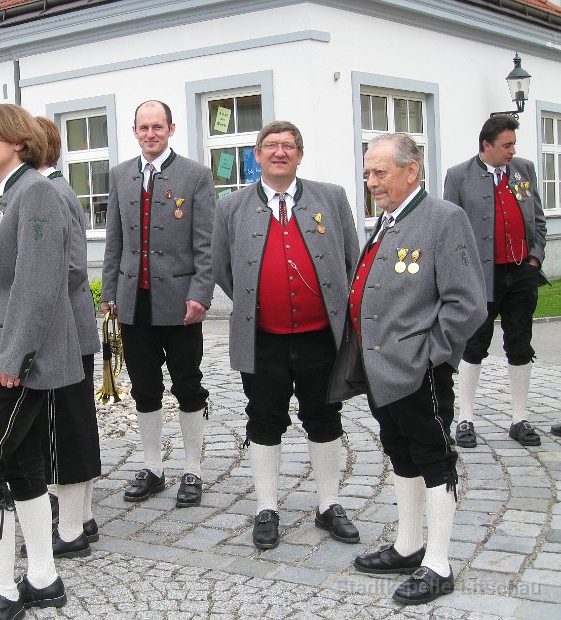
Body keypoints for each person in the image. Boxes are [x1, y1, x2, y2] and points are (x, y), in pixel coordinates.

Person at [330, 133, 486, 605]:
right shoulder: (387, 220)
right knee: (400, 453)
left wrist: (428, 354)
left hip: (418, 371)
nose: (370, 181)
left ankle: (438, 564)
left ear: (411, 170)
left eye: (380, 172)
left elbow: (468, 303)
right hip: (381, 367)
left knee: (435, 458)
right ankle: (408, 544)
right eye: (367, 173)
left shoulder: (444, 219)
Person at [0, 103, 84, 619]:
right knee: (24, 468)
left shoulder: (35, 194)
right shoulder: (3, 197)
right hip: (2, 357)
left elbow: (38, 285)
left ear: (17, 141)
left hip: (20, 363)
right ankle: (43, 578)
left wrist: (13, 357)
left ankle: (4, 588)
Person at [211, 121, 360, 550]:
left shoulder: (330, 198)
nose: (280, 152)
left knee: (324, 417)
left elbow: (351, 256)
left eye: (288, 146)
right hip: (263, 338)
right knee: (263, 419)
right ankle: (266, 506)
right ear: (256, 155)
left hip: (320, 338)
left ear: (300, 154)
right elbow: (222, 268)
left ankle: (329, 504)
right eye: (271, 146)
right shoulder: (231, 206)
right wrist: (255, 297)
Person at [101, 100, 215, 507]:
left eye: (158, 127)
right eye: (144, 127)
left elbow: (206, 243)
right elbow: (114, 241)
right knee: (144, 387)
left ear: (171, 128)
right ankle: (153, 467)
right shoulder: (119, 175)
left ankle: (193, 469)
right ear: (134, 131)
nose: (151, 134)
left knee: (188, 385)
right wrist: (110, 291)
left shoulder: (196, 176)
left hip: (181, 304)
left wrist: (201, 293)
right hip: (134, 302)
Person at [443, 115, 549, 448]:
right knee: (474, 346)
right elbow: (450, 231)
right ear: (486, 145)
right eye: (507, 145)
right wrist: (463, 273)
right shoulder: (459, 176)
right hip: (480, 278)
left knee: (520, 344)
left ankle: (519, 418)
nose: (512, 150)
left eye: (514, 144)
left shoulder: (524, 169)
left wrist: (535, 258)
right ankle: (466, 418)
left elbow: (539, 218)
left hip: (521, 274)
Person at [31, 115, 102, 557]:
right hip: (65, 328)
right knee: (71, 425)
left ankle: (72, 526)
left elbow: (73, 267)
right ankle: (84, 516)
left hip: (61, 330)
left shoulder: (51, 192)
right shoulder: (52, 189)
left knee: (67, 428)